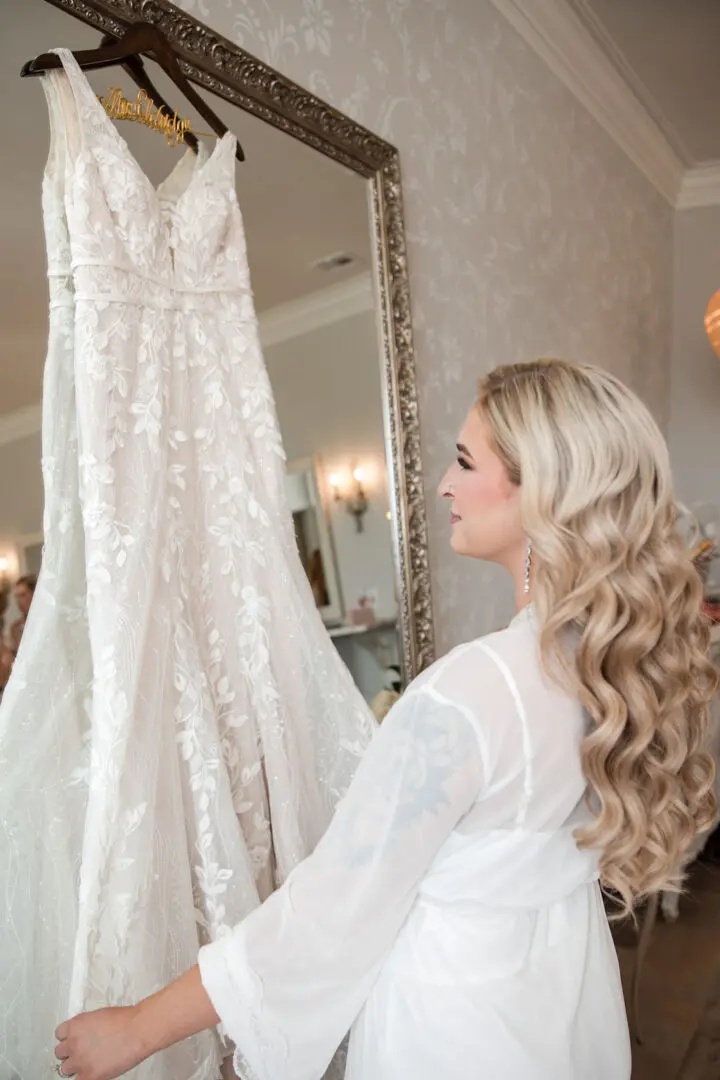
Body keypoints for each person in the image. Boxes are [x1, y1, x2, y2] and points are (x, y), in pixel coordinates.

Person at [54, 359, 717, 1080]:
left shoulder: (470, 692)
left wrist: (138, 1028)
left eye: (466, 461)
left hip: (457, 1029)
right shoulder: (608, 671)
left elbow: (331, 905)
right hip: (562, 1004)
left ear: (544, 494)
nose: (444, 484)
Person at [10, 574, 36, 654]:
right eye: (17, 596)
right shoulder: (15, 628)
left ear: (33, 594)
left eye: (23, 595)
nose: (19, 601)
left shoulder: (46, 622)